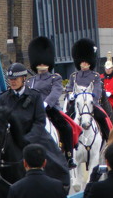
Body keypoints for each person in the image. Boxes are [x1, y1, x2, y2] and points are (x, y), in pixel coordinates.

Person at [0, 62, 69, 187]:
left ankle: (63, 183)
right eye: (10, 79)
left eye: (15, 79)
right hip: (10, 138)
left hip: (32, 136)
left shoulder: (35, 96)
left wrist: (27, 139)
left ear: (24, 78)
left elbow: (40, 121)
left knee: (55, 159)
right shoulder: (3, 98)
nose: (12, 82)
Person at [27, 36, 77, 168]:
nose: (42, 64)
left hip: (51, 109)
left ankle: (69, 156)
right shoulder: (30, 81)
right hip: (33, 111)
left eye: (44, 62)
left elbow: (56, 92)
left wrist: (45, 103)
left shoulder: (55, 78)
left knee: (66, 128)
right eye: (40, 62)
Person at [66, 38, 111, 141]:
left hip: (92, 104)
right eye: (82, 62)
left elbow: (97, 90)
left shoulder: (95, 76)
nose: (84, 64)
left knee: (104, 118)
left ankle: (108, 139)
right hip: (77, 104)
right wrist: (71, 95)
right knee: (66, 119)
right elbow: (69, 88)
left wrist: (92, 99)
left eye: (86, 62)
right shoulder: (74, 76)